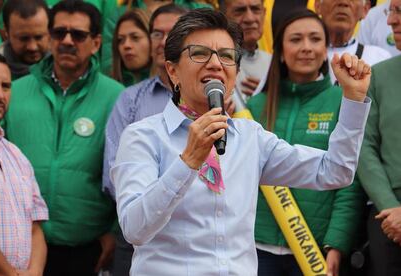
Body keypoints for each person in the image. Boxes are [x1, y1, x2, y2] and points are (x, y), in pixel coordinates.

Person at [111, 8, 371, 275]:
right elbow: (134, 229)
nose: (215, 64)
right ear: (173, 71)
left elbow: (335, 171)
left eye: (226, 56)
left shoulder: (249, 137)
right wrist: (187, 162)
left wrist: (353, 99)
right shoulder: (143, 136)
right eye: (200, 53)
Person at [2, 1, 124, 275]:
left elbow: (128, 170)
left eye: (78, 35)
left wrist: (114, 232)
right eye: (59, 33)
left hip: (87, 249)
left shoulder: (117, 98)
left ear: (95, 43)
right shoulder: (14, 91)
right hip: (21, 246)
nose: (67, 41)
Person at [247, 9, 366, 276]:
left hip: (312, 251)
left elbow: (350, 181)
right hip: (255, 247)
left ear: (326, 49)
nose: (306, 48)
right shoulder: (255, 106)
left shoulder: (343, 102)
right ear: (279, 50)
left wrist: (337, 243)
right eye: (296, 39)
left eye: (315, 39)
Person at [104, 4, 188, 275]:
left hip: (197, 239)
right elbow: (113, 173)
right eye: (156, 34)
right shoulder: (130, 99)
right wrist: (151, 209)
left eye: (173, 33)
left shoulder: (216, 98)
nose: (163, 41)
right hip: (138, 238)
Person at [0, 50, 49, 276]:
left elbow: (36, 227)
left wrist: (34, 272)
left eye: (5, 86)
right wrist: (10, 274)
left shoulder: (16, 156)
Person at [358, 0, 401, 275]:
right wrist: (391, 207)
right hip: (388, 218)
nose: (390, 22)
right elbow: (363, 146)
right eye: (391, 11)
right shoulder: (380, 75)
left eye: (399, 12)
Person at [315, 0, 391, 84]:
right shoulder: (302, 56)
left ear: (365, 9)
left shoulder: (380, 59)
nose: (343, 2)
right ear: (318, 4)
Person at [220, 0, 272, 104]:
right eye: (240, 11)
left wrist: (275, 95)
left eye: (256, 9)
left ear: (264, 13)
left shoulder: (275, 63)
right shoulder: (213, 63)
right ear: (223, 16)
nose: (250, 18)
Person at [0, 0, 50, 80]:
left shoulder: (64, 65)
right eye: (23, 38)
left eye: (39, 37)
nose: (32, 47)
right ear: (6, 31)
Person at [111, 8, 151, 87]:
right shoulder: (110, 90)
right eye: (120, 40)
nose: (126, 45)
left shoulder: (174, 88)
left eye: (135, 37)